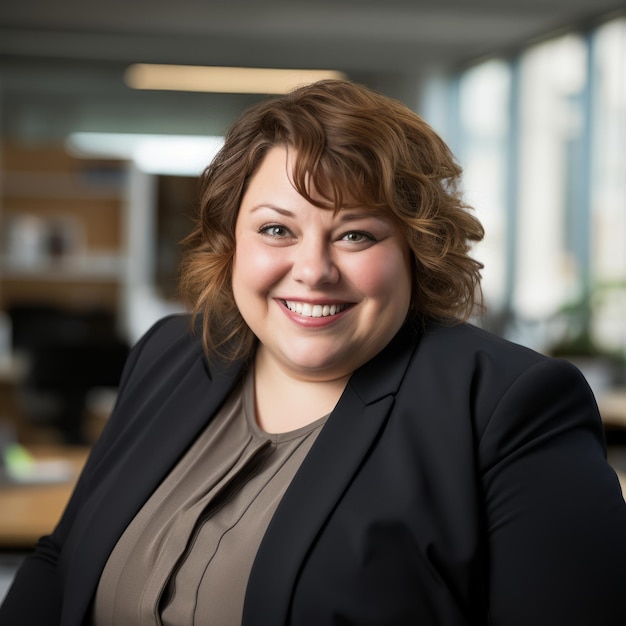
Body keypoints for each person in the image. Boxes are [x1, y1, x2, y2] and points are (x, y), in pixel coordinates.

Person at [1, 79, 625, 626]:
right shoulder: (173, 353)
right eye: (277, 229)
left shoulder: (504, 406)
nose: (313, 270)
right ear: (232, 241)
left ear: (418, 249)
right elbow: (62, 562)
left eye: (355, 234)